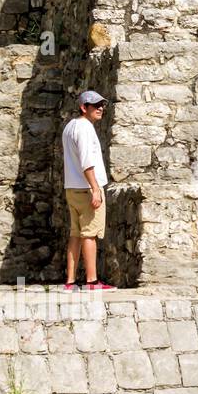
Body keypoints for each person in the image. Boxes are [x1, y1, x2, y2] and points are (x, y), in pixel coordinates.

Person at [62, 90, 114, 290]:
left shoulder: (70, 127)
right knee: (89, 234)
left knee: (76, 234)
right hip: (86, 188)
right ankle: (92, 281)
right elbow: (86, 162)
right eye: (95, 105)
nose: (100, 108)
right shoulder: (85, 128)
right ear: (84, 107)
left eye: (102, 105)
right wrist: (95, 189)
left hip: (72, 188)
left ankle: (70, 281)